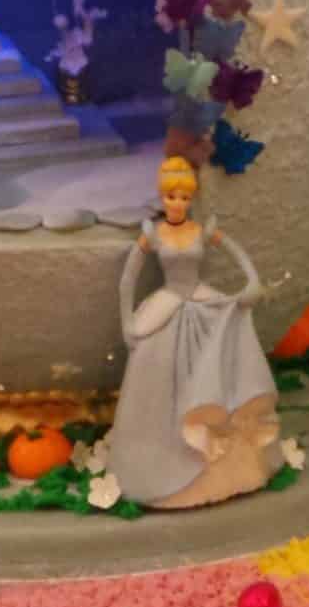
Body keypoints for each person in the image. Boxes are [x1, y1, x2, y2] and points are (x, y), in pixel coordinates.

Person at [105, 155, 281, 509]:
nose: (178, 203)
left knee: (215, 367)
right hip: (167, 307)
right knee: (161, 383)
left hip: (202, 301)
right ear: (162, 197)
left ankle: (225, 460)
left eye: (184, 197)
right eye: (172, 196)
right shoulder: (153, 235)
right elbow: (127, 280)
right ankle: (165, 464)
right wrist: (127, 322)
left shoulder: (202, 231)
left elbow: (237, 253)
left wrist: (252, 282)